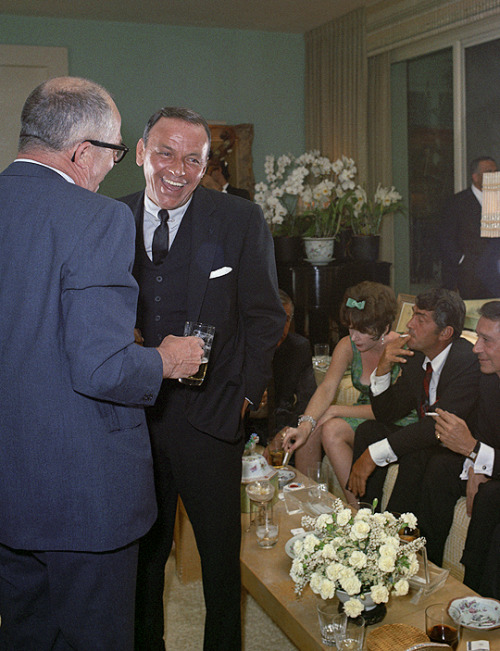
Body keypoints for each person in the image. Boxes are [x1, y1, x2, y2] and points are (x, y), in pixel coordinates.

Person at [0, 77, 204, 651]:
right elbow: (102, 368)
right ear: (81, 151)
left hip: (9, 482)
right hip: (82, 491)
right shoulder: (96, 219)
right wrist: (165, 360)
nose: (113, 167)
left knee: (25, 633)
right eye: (116, 152)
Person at [119, 106, 285, 651]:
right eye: (165, 152)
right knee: (143, 561)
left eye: (194, 158)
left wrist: (242, 396)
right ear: (141, 152)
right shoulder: (107, 220)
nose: (178, 168)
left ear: (207, 164)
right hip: (130, 422)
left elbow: (266, 317)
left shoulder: (240, 219)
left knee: (219, 563)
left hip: (212, 418)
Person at [282, 281, 417, 507]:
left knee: (332, 428)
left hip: (397, 420)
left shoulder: (401, 349)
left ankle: (357, 511)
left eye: (363, 330)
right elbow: (327, 387)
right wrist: (305, 425)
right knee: (312, 428)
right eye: (351, 328)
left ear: (384, 327)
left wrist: (335, 409)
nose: (354, 337)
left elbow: (388, 410)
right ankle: (306, 504)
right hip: (363, 417)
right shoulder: (348, 346)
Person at [347, 287, 481, 515]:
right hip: (432, 440)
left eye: (421, 318)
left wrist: (373, 455)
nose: (409, 324)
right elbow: (387, 413)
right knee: (369, 431)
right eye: (413, 314)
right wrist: (382, 370)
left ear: (445, 332)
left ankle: (395, 529)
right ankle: (367, 518)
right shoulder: (417, 355)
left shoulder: (466, 361)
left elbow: (437, 426)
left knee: (416, 454)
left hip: (460, 448)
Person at [419, 301, 500, 598]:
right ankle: (428, 568)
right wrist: (476, 462)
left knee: (492, 496)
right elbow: (483, 434)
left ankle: (482, 595)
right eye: (477, 337)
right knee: (441, 467)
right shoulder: (489, 380)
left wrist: (476, 453)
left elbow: (477, 444)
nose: (476, 348)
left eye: (486, 341)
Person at [249, 289, 316, 447]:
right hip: (243, 430)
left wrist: (284, 433)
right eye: (274, 319)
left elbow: (307, 399)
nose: (281, 327)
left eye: (285, 320)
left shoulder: (298, 348)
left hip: (283, 431)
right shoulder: (242, 347)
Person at [440, 156, 498, 299]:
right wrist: (462, 260)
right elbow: (445, 238)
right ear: (475, 177)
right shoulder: (457, 202)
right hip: (469, 275)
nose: (495, 176)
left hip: (496, 273)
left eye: (496, 172)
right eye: (489, 172)